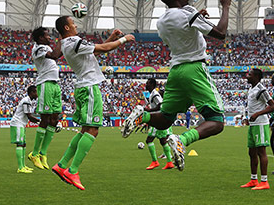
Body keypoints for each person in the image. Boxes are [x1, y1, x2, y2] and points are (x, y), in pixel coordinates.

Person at [120, 0, 230, 171]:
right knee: (217, 121)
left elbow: (183, 29)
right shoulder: (188, 12)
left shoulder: (161, 22)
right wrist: (226, 7)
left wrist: (198, 17)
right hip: (194, 68)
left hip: (176, 71)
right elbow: (220, 33)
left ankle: (143, 116)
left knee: (165, 118)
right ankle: (182, 139)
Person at [50, 16, 134, 190]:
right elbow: (103, 48)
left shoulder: (67, 44)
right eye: (73, 23)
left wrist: (111, 38)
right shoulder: (74, 41)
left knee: (85, 130)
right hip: (89, 88)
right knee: (93, 130)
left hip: (82, 87)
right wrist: (124, 39)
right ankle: (72, 170)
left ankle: (62, 164)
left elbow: (95, 52)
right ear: (66, 28)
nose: (76, 25)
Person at [28, 27, 63, 170]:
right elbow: (55, 55)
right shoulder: (38, 49)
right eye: (47, 35)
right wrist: (61, 39)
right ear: (40, 38)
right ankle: (34, 153)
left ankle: (43, 153)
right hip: (45, 84)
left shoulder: (45, 46)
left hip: (55, 84)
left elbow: (58, 53)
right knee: (46, 119)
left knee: (54, 119)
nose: (50, 37)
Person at [240, 68, 274, 190]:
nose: (247, 76)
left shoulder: (261, 90)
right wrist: (248, 118)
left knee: (262, 152)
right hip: (253, 125)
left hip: (261, 124)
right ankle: (253, 179)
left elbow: (273, 106)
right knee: (251, 152)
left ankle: (264, 181)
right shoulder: (252, 89)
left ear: (256, 77)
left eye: (249, 75)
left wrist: (258, 114)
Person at [142, 78, 175, 170]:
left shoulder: (155, 94)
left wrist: (149, 110)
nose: (146, 85)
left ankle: (155, 162)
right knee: (163, 141)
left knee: (149, 140)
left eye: (147, 83)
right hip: (160, 118)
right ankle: (169, 162)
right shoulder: (152, 94)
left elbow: (161, 105)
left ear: (152, 84)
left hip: (158, 119)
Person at [11, 86, 39, 173]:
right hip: (17, 123)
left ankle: (23, 166)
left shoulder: (28, 101)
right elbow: (29, 116)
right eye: (36, 92)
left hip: (21, 124)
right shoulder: (26, 101)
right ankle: (20, 168)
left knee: (23, 144)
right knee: (20, 144)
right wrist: (41, 122)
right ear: (32, 92)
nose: (37, 94)